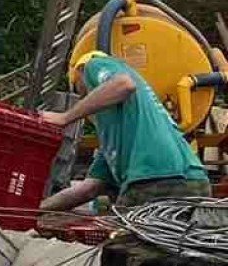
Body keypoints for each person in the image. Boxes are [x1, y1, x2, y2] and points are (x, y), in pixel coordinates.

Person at [40, 47, 209, 212]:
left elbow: (124, 84)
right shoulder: (118, 136)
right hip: (195, 183)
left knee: (125, 239)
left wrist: (65, 117)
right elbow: (88, 188)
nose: (83, 99)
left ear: (79, 74)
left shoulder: (94, 64)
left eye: (79, 90)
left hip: (154, 180)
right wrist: (38, 208)